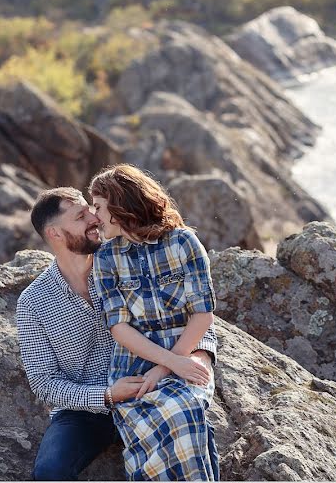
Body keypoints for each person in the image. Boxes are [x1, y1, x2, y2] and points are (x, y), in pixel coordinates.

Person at [17, 187, 217, 480]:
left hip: (151, 389)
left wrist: (198, 357)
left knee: (195, 429)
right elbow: (43, 383)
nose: (94, 218)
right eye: (81, 216)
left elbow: (191, 317)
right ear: (55, 234)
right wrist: (106, 396)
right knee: (50, 471)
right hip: (87, 411)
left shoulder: (126, 262)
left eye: (91, 209)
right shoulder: (34, 302)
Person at [89, 164, 219, 481]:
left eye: (98, 207)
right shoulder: (106, 258)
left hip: (185, 351)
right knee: (146, 431)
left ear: (120, 207)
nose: (94, 217)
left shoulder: (184, 243)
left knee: (184, 413)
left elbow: (203, 315)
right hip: (133, 365)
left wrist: (169, 365)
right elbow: (119, 328)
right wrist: (166, 363)